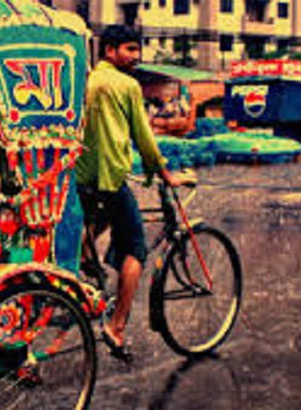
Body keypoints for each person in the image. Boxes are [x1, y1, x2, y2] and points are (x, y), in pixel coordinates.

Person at [75, 25, 194, 363]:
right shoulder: (126, 85)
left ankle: (86, 261)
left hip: (82, 175)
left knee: (96, 223)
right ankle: (117, 326)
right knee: (136, 251)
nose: (136, 56)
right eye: (129, 49)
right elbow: (144, 138)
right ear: (109, 50)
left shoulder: (87, 80)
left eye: (137, 49)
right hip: (110, 177)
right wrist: (166, 174)